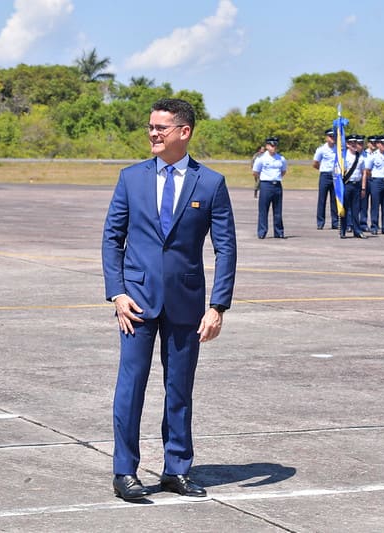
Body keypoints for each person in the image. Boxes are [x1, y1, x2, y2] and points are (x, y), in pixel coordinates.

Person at [102, 98, 237, 501]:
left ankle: (176, 469)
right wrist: (117, 292)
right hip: (137, 303)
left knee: (179, 389)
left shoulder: (210, 183)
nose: (153, 134)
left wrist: (218, 306)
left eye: (161, 127)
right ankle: (124, 471)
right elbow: (112, 238)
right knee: (131, 387)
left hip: (186, 302)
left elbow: (225, 248)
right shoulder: (131, 178)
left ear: (184, 132)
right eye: (150, 127)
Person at [252, 136, 287, 239]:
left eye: (275, 145)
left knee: (278, 211)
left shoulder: (281, 158)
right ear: (267, 146)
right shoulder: (261, 159)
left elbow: (283, 171)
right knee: (263, 210)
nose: (274, 147)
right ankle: (262, 232)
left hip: (277, 185)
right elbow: (255, 172)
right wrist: (265, 179)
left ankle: (279, 232)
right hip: (266, 185)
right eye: (271, 145)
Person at [364, 135, 384, 234]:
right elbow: (368, 170)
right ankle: (374, 226)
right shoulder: (373, 156)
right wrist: (374, 178)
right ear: (377, 144)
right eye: (382, 143)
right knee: (375, 205)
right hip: (376, 182)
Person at [341, 133, 367, 239]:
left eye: (355, 143)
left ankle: (357, 230)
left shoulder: (359, 157)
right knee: (344, 209)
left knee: (356, 209)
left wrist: (363, 187)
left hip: (357, 185)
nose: (353, 145)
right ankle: (342, 230)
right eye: (351, 143)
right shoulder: (343, 156)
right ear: (347, 144)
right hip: (347, 184)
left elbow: (364, 172)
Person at [313, 129, 339, 230]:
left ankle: (335, 222)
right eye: (330, 136)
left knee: (334, 200)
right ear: (326, 138)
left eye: (334, 136)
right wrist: (323, 170)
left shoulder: (338, 149)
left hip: (335, 175)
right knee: (322, 199)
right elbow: (315, 163)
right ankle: (320, 222)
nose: (332, 138)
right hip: (325, 175)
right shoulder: (321, 149)